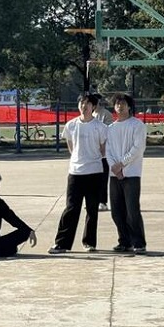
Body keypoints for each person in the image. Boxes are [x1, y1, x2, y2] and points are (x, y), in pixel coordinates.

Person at [49, 94, 108, 254]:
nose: (84, 106)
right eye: (82, 103)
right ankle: (62, 243)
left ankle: (89, 242)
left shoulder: (100, 127)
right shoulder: (71, 125)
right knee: (71, 208)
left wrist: (91, 158)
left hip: (94, 172)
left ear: (93, 107)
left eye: (88, 104)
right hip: (75, 172)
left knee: (92, 209)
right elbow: (71, 146)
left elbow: (103, 149)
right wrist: (78, 158)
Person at [106, 93, 147, 254]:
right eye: (117, 104)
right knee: (116, 211)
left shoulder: (137, 125)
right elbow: (108, 150)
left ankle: (139, 242)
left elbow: (138, 148)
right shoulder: (111, 128)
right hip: (114, 175)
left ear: (129, 106)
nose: (120, 106)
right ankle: (124, 241)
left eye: (123, 103)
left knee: (132, 211)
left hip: (131, 173)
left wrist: (121, 164)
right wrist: (114, 167)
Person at [93, 95, 114, 211]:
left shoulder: (106, 114)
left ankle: (102, 202)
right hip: (92, 153)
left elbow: (109, 131)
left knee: (103, 179)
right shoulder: (91, 115)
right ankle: (94, 200)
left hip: (103, 153)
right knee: (93, 179)